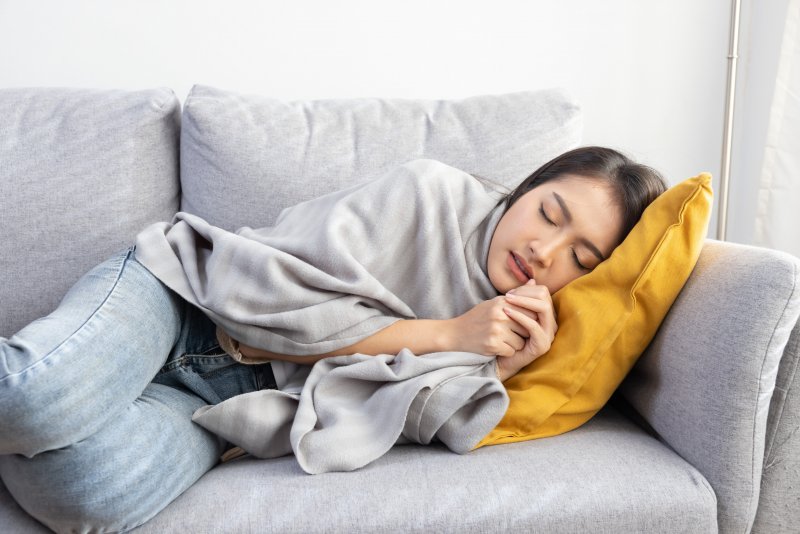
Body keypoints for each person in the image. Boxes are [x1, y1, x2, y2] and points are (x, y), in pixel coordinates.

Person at [0, 146, 667, 532]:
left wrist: (500, 366)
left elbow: (400, 417)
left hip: (231, 406)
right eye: (548, 213)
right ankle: (49, 396)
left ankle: (67, 401)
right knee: (30, 402)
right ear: (525, 190)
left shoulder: (518, 331)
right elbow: (276, 295)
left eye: (582, 259)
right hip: (182, 296)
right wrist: (446, 333)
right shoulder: (428, 193)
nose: (545, 250)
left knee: (87, 494)